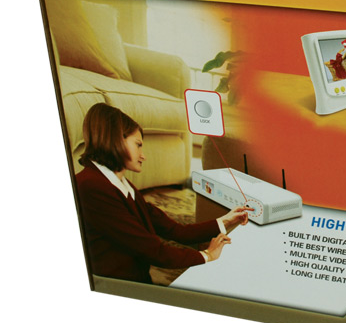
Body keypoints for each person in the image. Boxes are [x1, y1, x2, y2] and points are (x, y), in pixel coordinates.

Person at [75, 103, 251, 284]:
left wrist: (226, 220)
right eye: (138, 145)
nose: (143, 156)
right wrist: (207, 255)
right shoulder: (92, 187)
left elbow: (176, 231)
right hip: (117, 288)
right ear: (116, 140)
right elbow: (154, 251)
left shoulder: (122, 186)